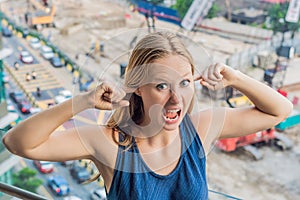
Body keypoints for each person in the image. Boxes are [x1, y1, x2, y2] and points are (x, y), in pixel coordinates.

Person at [2, 31, 293, 199]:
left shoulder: (200, 127)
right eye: (162, 86)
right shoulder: (109, 144)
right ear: (137, 88)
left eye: (184, 83)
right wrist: (82, 101)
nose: (176, 99)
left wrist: (235, 77)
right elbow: (18, 143)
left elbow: (280, 111)